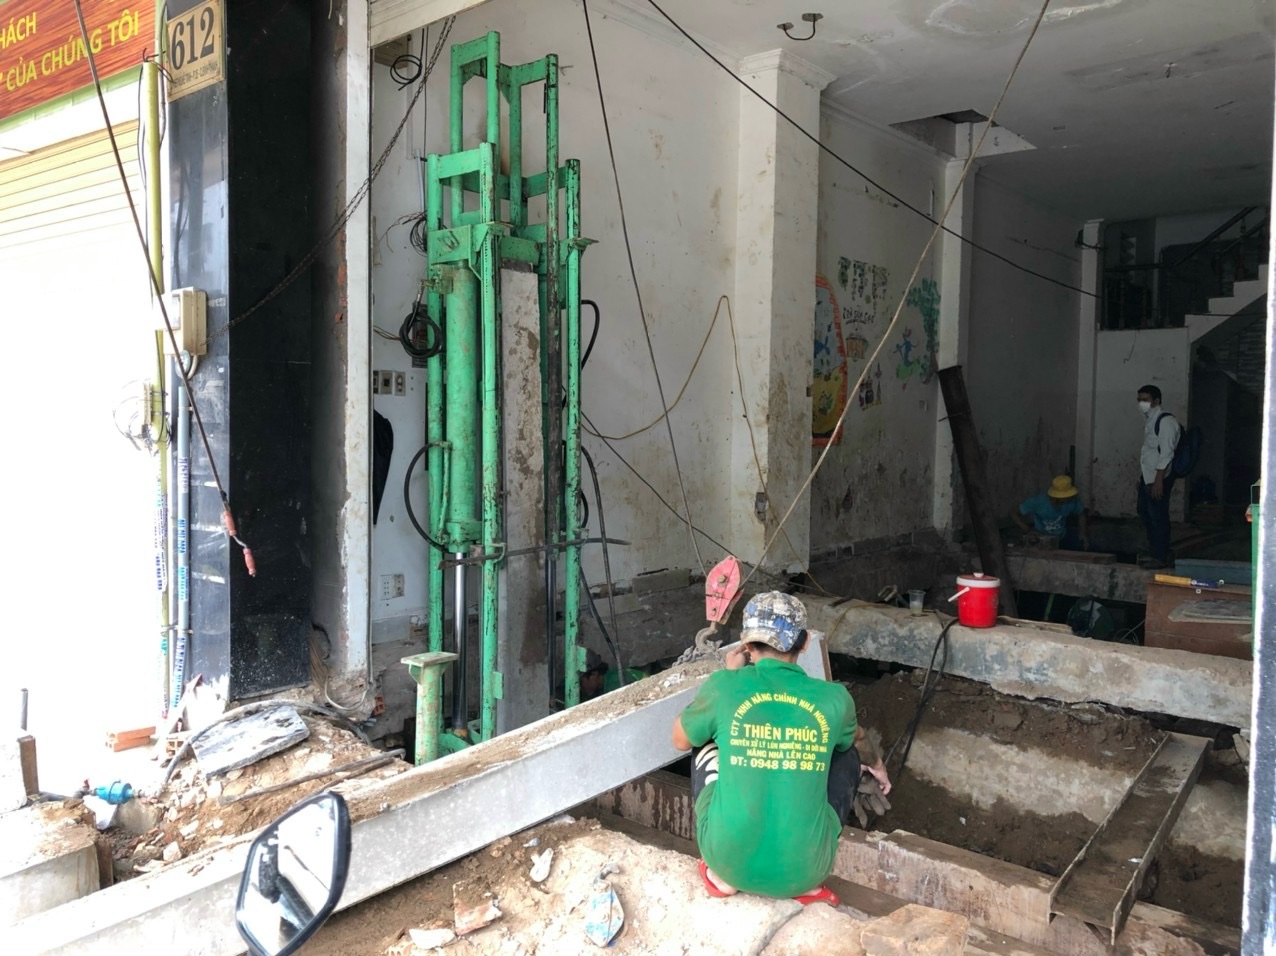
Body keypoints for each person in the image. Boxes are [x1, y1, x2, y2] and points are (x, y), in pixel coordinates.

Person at [671, 592, 891, 906]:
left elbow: (680, 740)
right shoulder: (834, 698)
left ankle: (722, 879)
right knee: (846, 749)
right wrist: (877, 765)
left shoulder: (724, 686)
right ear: (805, 642)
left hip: (727, 862)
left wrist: (728, 679)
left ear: (747, 645)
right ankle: (805, 887)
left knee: (703, 734)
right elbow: (858, 739)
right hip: (806, 872)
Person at [1136, 384, 1181, 569]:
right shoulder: (1151, 420)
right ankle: (1156, 551)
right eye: (1139, 400)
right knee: (1145, 511)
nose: (1141, 403)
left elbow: (1167, 453)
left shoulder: (1166, 422)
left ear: (1156, 401)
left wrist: (1158, 480)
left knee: (1157, 516)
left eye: (1145, 400)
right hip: (1149, 476)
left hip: (1158, 477)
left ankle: (1160, 556)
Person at [1011, 475, 1088, 550]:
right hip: (1041, 538)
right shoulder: (1038, 501)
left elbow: (1081, 513)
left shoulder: (1071, 501)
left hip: (1062, 536)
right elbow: (1014, 512)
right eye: (1066, 496)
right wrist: (1027, 529)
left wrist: (1082, 533)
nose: (1068, 498)